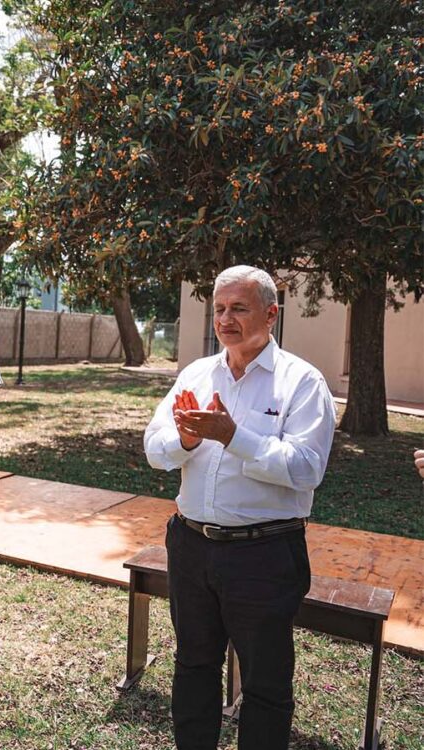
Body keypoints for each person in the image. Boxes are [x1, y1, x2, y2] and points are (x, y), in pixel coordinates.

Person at [144, 265, 336, 750]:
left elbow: (306, 468)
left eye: (240, 309)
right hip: (192, 547)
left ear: (271, 314)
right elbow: (154, 446)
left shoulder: (302, 382)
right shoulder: (195, 373)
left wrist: (233, 436)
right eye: (220, 309)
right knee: (193, 666)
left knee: (266, 686)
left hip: (264, 555)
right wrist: (185, 439)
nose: (226, 320)